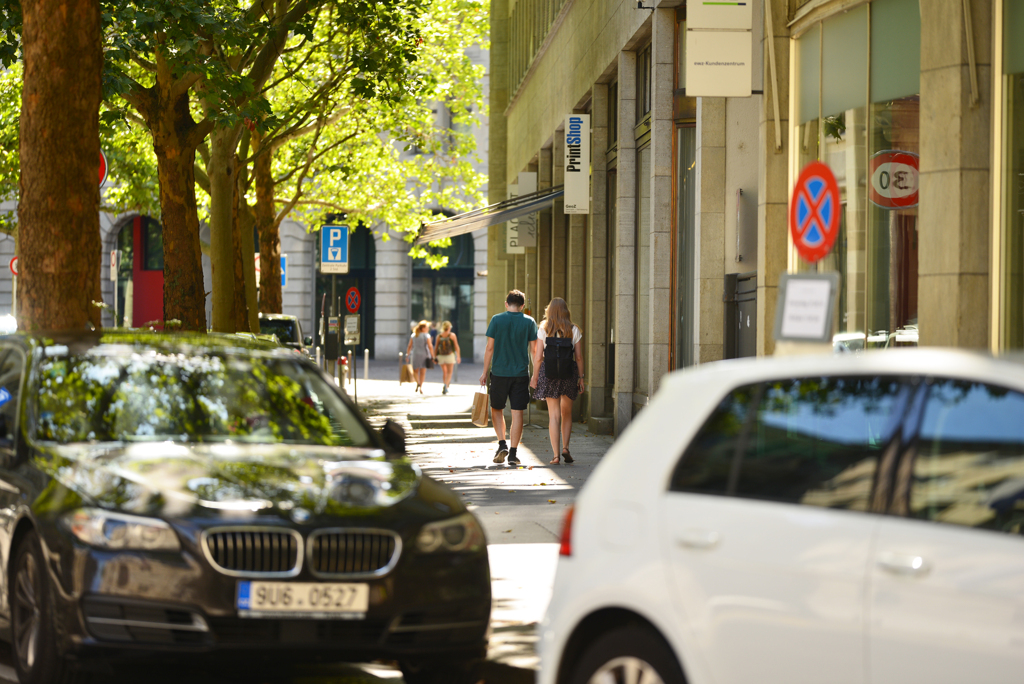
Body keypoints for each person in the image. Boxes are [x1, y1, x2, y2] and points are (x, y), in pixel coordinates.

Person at [479, 290, 537, 466]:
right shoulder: (529, 322)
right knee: (517, 412)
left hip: (499, 373)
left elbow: (490, 348)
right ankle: (513, 453)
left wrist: (484, 372)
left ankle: (502, 444)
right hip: (520, 374)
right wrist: (536, 373)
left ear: (506, 304)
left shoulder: (497, 319)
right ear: (522, 306)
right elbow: (534, 351)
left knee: (496, 409)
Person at [530, 298, 584, 464]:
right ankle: (566, 448)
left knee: (553, 416)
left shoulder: (544, 328)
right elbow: (579, 357)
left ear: (549, 311)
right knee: (566, 413)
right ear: (566, 311)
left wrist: (535, 376)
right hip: (569, 374)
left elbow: (538, 357)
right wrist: (581, 378)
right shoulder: (574, 329)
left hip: (549, 374)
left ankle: (555, 456)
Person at [405, 320, 434, 394]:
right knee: (423, 372)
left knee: (415, 371)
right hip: (424, 354)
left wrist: (407, 355)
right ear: (423, 328)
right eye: (427, 327)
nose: (428, 329)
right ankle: (420, 386)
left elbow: (409, 346)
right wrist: (433, 356)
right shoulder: (426, 336)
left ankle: (417, 382)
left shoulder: (414, 335)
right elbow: (430, 346)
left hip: (415, 354)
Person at [435, 320, 461, 394]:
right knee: (449, 372)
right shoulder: (452, 335)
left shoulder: (439, 336)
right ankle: (446, 386)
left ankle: (445, 384)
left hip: (441, 356)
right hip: (450, 356)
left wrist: (434, 357)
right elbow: (456, 346)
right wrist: (458, 356)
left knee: (444, 372)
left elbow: (436, 347)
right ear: (449, 327)